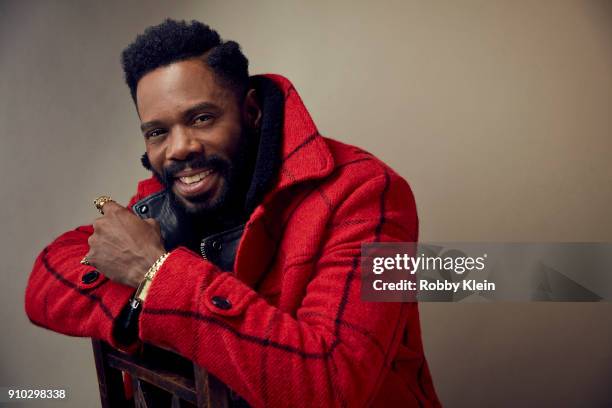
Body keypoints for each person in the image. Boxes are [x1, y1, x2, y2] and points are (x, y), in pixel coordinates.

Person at [25, 19, 440, 407]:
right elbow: (45, 280)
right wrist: (139, 303)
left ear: (252, 111)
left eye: (202, 118)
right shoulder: (171, 191)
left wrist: (153, 273)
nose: (180, 147)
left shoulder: (371, 194)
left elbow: (331, 383)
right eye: (158, 132)